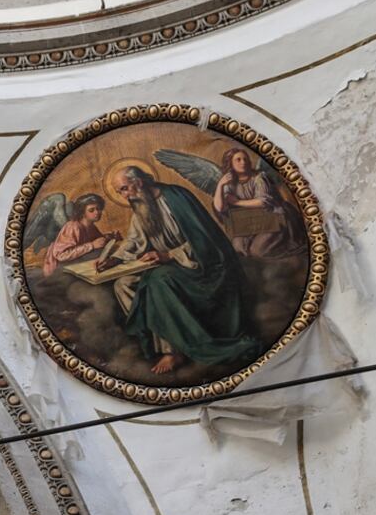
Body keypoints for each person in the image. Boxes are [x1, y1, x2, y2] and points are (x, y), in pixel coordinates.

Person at [96, 166, 259, 374]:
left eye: (124, 188)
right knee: (123, 284)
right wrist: (114, 259)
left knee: (158, 280)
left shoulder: (177, 197)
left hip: (203, 267)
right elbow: (135, 240)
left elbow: (204, 241)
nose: (124, 195)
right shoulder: (140, 204)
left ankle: (173, 350)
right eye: (120, 192)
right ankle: (156, 339)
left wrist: (169, 255)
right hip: (170, 265)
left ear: (139, 182)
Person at [212, 147, 306, 258]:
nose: (243, 162)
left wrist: (237, 202)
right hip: (249, 222)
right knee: (238, 247)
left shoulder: (259, 177)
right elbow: (220, 208)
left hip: (273, 218)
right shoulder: (228, 182)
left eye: (245, 159)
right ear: (230, 164)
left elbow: (263, 202)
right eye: (238, 160)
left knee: (257, 250)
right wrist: (220, 185)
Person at [42, 193, 118, 276]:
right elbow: (61, 255)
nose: (97, 212)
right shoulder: (73, 226)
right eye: (91, 210)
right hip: (61, 269)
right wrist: (91, 245)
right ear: (82, 212)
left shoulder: (91, 226)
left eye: (98, 208)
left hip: (79, 264)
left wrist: (110, 237)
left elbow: (98, 241)